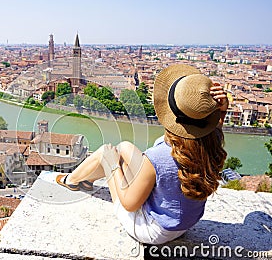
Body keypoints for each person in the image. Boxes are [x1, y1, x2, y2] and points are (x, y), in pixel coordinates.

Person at [56, 64, 228, 245]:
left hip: (153, 230)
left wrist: (114, 165)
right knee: (124, 147)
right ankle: (79, 180)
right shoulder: (211, 141)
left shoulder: (157, 157)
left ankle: (72, 180)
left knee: (106, 153)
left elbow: (129, 204)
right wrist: (222, 110)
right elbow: (214, 127)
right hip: (184, 222)